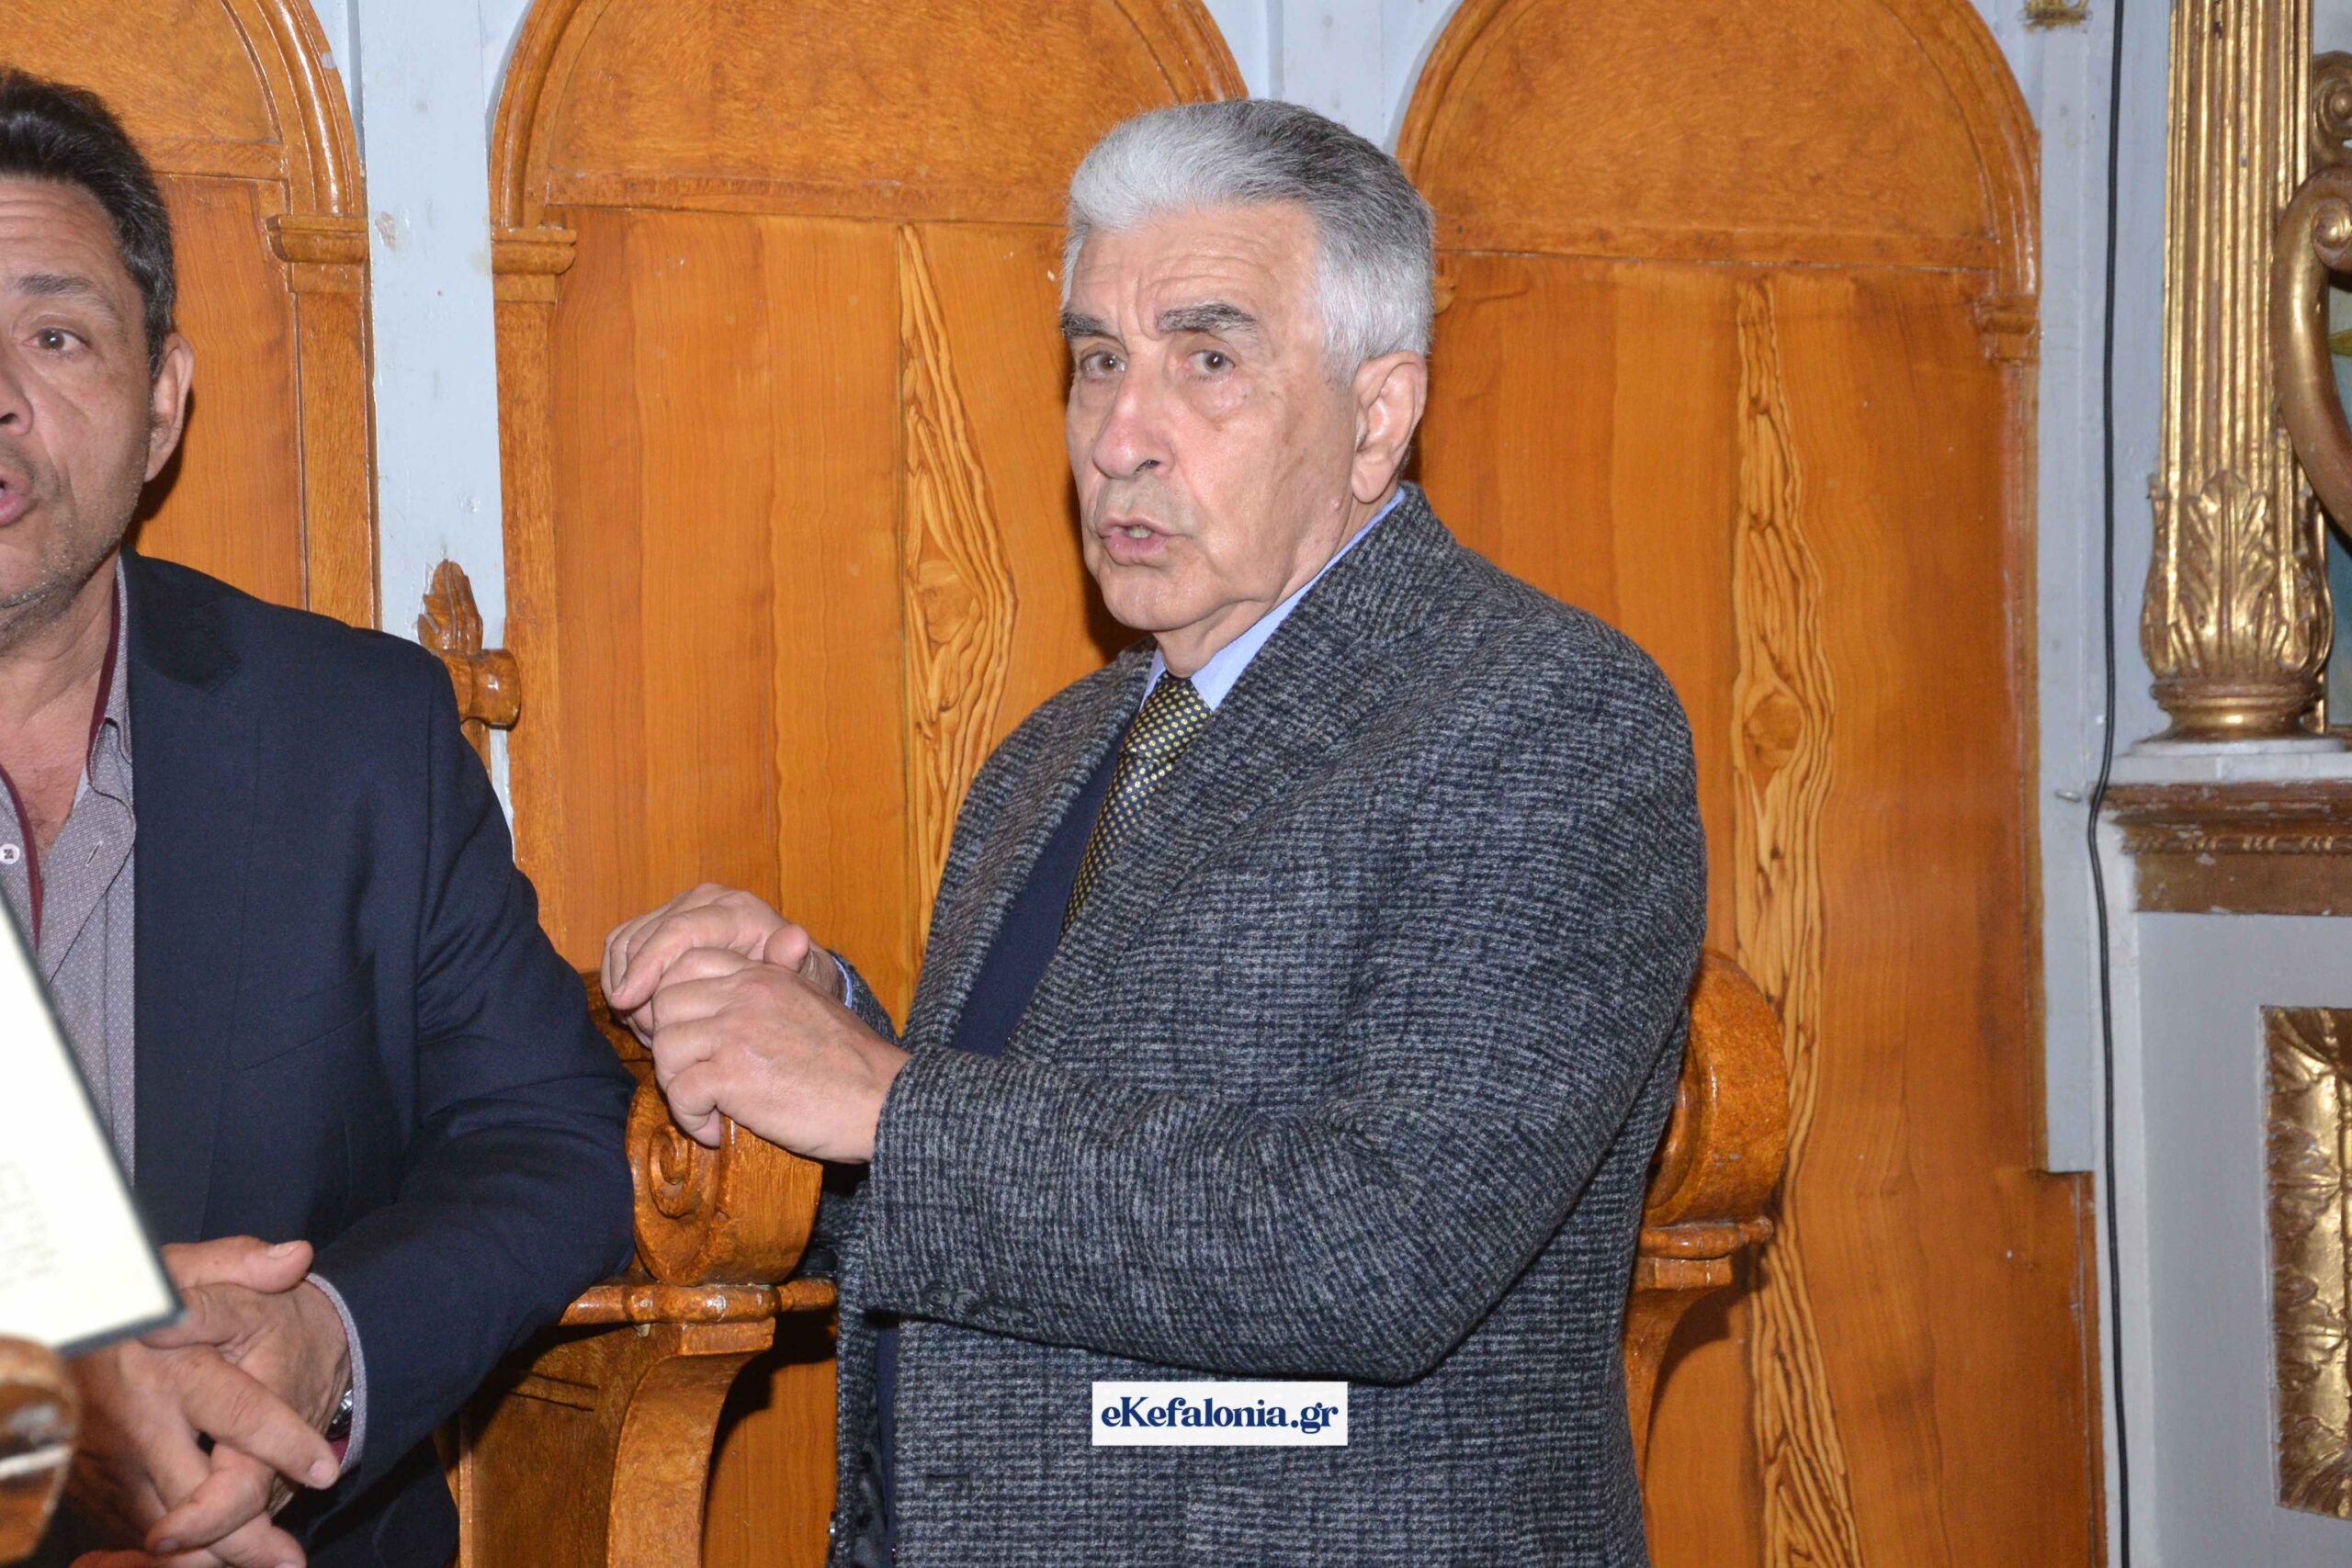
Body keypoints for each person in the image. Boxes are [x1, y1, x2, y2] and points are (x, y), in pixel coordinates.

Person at [606, 99, 1704, 1566]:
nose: (1121, 436)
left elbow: (1383, 1247)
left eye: (1209, 359)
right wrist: (792, 1044)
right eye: (1099, 360)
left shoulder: (1547, 712)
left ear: (1378, 417)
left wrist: (883, 1104)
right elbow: (987, 1214)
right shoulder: (1052, 754)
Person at [0, 73, 635, 1568]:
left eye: (56, 335)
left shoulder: (360, 736)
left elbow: (550, 1135)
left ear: (163, 404)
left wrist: (330, 1342)